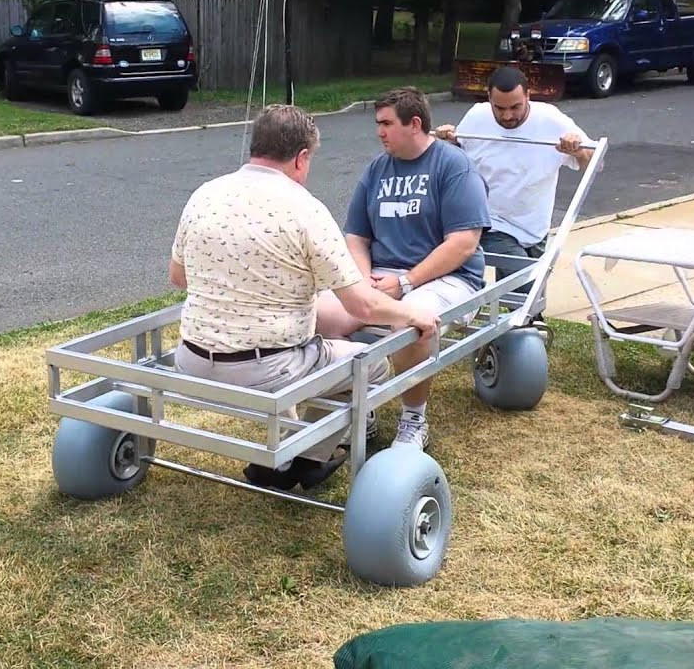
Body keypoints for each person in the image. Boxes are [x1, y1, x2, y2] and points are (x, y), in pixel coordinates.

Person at [169, 103, 440, 491]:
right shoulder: (304, 209)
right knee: (372, 366)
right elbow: (361, 304)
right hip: (263, 372)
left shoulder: (204, 194)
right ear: (301, 157)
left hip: (190, 358)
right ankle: (307, 456)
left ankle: (289, 454)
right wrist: (411, 314)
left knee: (312, 346)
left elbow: (179, 277)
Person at [315, 87, 491, 452]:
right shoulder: (377, 169)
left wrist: (406, 283)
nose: (379, 132)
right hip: (383, 277)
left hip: (448, 278)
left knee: (407, 322)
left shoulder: (453, 166)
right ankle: (358, 408)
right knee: (321, 315)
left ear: (415, 124)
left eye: (386, 124)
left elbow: (463, 242)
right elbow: (356, 237)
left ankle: (414, 418)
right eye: (377, 123)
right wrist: (362, 282)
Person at [434, 65, 598, 295]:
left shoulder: (551, 120)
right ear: (489, 98)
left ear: (528, 96)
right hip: (490, 223)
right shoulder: (476, 117)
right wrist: (449, 140)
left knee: (531, 298)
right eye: (499, 108)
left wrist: (577, 151)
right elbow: (457, 160)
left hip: (534, 225)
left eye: (515, 107)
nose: (507, 115)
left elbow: (594, 165)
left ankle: (527, 325)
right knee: (523, 282)